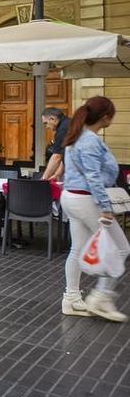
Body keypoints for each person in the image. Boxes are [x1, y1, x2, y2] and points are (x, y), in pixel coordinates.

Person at [60, 96, 125, 322]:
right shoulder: (89, 140)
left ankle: (71, 299)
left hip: (71, 197)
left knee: (77, 249)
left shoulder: (76, 136)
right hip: (86, 199)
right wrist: (105, 207)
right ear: (105, 117)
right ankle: (101, 296)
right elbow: (93, 176)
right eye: (112, 117)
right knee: (121, 248)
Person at [43, 107, 70, 182]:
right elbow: (64, 154)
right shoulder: (68, 123)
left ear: (53, 119)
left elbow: (57, 157)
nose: (46, 127)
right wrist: (58, 174)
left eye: (46, 123)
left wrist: (43, 179)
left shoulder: (62, 130)